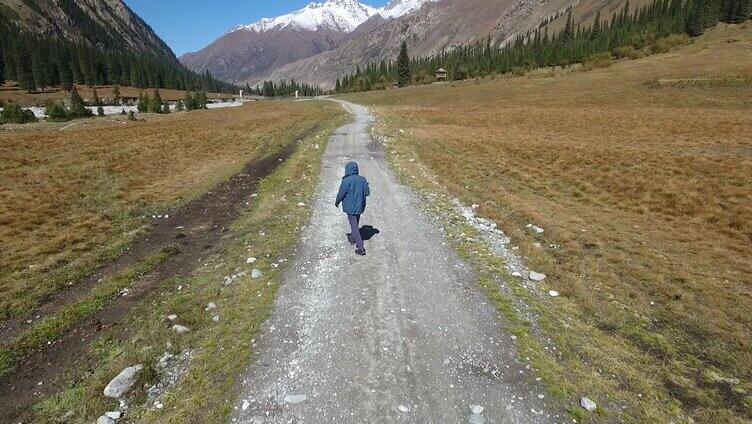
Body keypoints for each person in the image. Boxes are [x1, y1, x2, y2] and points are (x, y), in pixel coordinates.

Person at [335, 161, 370, 256]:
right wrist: (366, 185)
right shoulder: (362, 179)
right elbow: (367, 193)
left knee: (354, 226)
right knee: (355, 223)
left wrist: (337, 202)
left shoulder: (346, 181)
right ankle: (352, 237)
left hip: (350, 207)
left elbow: (341, 194)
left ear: (347, 170)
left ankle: (361, 248)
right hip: (360, 206)